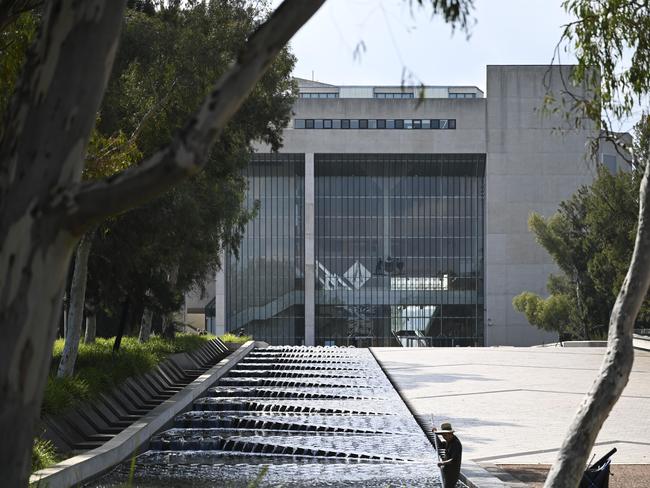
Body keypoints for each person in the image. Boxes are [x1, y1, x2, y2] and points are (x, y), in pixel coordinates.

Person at [432, 422, 462, 488]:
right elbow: (439, 445)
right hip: (447, 471)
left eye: (445, 435)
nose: (444, 437)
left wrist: (442, 463)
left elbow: (454, 460)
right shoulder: (449, 441)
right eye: (443, 436)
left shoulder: (455, 444)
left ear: (450, 434)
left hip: (452, 473)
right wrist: (435, 434)